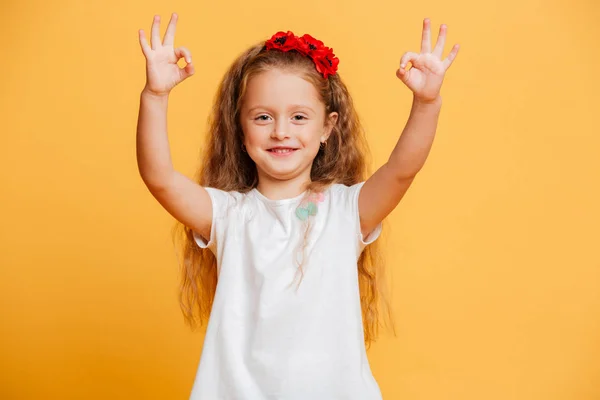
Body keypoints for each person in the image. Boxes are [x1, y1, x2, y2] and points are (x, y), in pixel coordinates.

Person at [136, 12, 459, 399]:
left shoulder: (345, 211)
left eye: (299, 117)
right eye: (262, 117)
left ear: (327, 127)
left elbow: (402, 171)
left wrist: (426, 102)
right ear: (240, 129)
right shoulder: (228, 216)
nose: (281, 131)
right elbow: (159, 178)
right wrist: (155, 96)